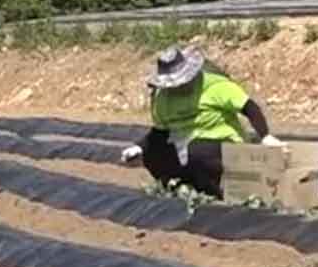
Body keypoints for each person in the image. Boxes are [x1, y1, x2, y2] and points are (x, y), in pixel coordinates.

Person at [120, 46, 282, 197]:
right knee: (154, 154)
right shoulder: (163, 99)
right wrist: (140, 148)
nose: (178, 88)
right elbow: (160, 132)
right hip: (187, 148)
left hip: (225, 145)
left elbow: (249, 108)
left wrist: (265, 136)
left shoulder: (215, 86)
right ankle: (181, 189)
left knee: (197, 150)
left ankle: (218, 193)